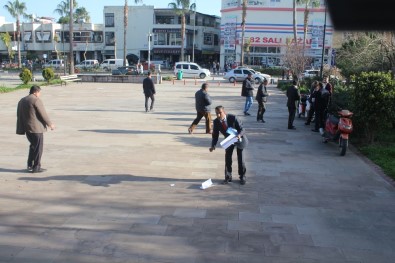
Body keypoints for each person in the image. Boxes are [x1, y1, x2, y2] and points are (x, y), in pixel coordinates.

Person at [16, 85, 55, 173]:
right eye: (39, 92)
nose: (40, 94)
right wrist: (50, 124)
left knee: (33, 146)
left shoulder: (22, 100)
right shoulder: (35, 100)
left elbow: (19, 114)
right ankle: (36, 167)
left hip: (27, 128)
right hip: (36, 129)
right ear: (35, 92)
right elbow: (43, 113)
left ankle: (30, 164)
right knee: (38, 148)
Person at [209, 106, 248, 185]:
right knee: (227, 159)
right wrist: (213, 145)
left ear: (224, 112)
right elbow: (215, 135)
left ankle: (242, 176)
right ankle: (228, 177)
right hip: (229, 140)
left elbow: (242, 129)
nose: (218, 115)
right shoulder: (216, 122)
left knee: (241, 159)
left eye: (220, 113)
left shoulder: (233, 118)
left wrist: (239, 135)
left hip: (239, 138)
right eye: (217, 113)